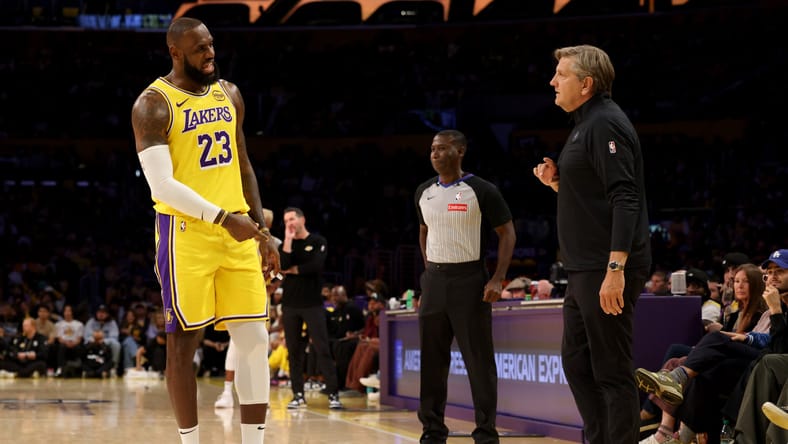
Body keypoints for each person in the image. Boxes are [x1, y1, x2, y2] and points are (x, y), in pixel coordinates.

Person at [131, 17, 280, 444]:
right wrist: (224, 219)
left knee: (254, 339)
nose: (210, 53)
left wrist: (263, 233)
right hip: (186, 235)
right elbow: (162, 186)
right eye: (200, 48)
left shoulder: (229, 93)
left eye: (211, 44)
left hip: (239, 232)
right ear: (175, 52)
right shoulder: (153, 104)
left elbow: (243, 164)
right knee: (183, 346)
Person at [533, 45, 651, 444]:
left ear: (586, 84)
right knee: (577, 364)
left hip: (606, 267)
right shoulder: (584, 124)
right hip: (583, 267)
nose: (553, 81)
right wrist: (557, 183)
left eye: (561, 75)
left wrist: (615, 269)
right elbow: (594, 196)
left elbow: (625, 197)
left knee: (611, 370)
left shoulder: (604, 123)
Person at [415, 129, 516, 444]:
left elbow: (507, 232)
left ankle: (485, 433)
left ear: (460, 151)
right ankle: (432, 431)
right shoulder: (423, 191)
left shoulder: (481, 190)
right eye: (432, 148)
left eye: (442, 148)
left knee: (478, 362)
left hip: (470, 280)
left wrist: (497, 277)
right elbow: (424, 230)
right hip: (434, 281)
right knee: (432, 363)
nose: (435, 153)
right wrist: (428, 269)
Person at [277, 206, 342, 409]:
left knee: (322, 348)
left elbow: (316, 266)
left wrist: (295, 269)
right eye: (286, 221)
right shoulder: (285, 245)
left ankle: (333, 394)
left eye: (292, 219)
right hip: (290, 305)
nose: (289, 223)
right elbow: (283, 266)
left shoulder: (317, 241)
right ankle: (298, 395)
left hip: (312, 304)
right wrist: (288, 240)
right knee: (294, 351)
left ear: (302, 219)